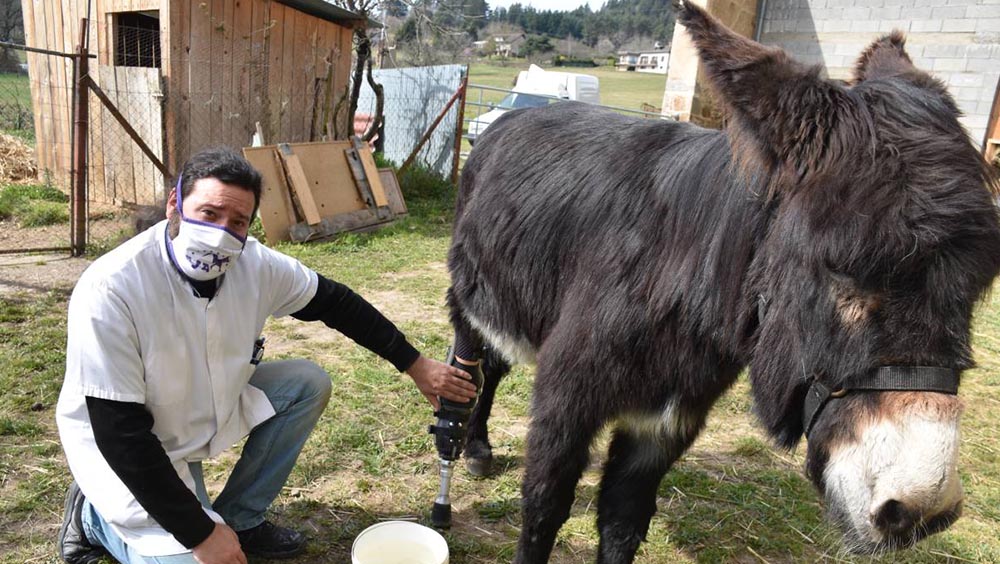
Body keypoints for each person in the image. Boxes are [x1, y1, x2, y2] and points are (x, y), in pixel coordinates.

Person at [55, 147, 478, 564]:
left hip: (194, 411)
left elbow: (336, 303)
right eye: (209, 213)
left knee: (306, 384)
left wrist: (415, 364)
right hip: (128, 449)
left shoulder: (254, 265)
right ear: (175, 204)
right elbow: (119, 432)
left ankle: (241, 519)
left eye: (237, 222)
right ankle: (91, 516)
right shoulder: (112, 288)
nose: (222, 232)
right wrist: (200, 533)